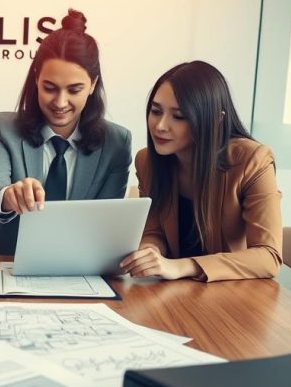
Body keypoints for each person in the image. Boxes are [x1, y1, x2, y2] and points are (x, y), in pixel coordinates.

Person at [0, 9, 131, 255]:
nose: (60, 102)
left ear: (92, 84)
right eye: (50, 88)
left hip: (79, 268)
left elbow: (105, 226)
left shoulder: (116, 143)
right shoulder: (3, 128)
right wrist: (9, 195)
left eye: (74, 89)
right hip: (6, 263)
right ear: (36, 78)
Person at [120, 60, 282, 281]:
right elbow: (155, 231)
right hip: (175, 293)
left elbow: (268, 256)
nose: (160, 125)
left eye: (179, 116)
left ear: (216, 120)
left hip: (234, 294)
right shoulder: (147, 161)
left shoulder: (253, 160)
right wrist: (151, 251)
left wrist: (181, 267)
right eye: (156, 111)